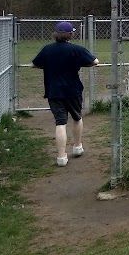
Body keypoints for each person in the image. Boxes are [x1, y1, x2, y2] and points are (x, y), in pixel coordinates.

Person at [32, 21, 99, 167]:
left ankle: (61, 157)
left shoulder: (47, 49)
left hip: (54, 91)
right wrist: (82, 63)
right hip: (73, 90)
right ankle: (77, 147)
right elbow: (95, 61)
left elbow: (35, 64)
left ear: (56, 33)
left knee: (60, 123)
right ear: (70, 34)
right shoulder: (76, 49)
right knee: (77, 117)